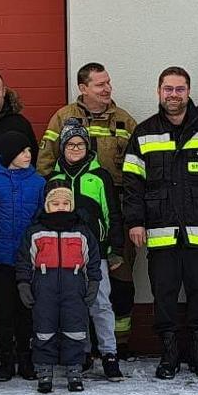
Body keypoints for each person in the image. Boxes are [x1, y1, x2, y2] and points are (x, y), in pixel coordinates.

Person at [119, 66, 198, 380]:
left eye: (180, 89)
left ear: (188, 92)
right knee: (165, 295)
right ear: (159, 91)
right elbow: (132, 184)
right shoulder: (144, 132)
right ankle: (169, 356)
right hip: (160, 232)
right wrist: (135, 222)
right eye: (168, 89)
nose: (174, 95)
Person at [36, 62, 142, 360]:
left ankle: (118, 345)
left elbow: (138, 169)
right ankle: (80, 348)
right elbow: (45, 165)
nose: (107, 89)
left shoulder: (124, 121)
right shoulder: (63, 118)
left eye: (108, 83)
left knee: (120, 284)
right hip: (68, 218)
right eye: (99, 85)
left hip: (114, 214)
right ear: (83, 88)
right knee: (74, 286)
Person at [47, 123, 127, 382]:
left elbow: (112, 213)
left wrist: (115, 249)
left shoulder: (100, 176)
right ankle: (81, 353)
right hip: (65, 255)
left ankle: (109, 354)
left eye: (80, 144)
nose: (75, 149)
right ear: (62, 148)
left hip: (96, 253)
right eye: (70, 145)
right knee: (74, 306)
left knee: (101, 303)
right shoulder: (53, 179)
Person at [17, 186, 104, 394]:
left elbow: (92, 260)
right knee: (43, 329)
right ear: (47, 206)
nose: (60, 208)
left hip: (73, 287)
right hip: (44, 287)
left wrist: (93, 282)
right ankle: (44, 371)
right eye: (55, 204)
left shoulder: (82, 231)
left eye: (65, 204)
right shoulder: (36, 231)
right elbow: (23, 260)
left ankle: (74, 369)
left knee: (75, 329)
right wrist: (23, 283)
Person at [0, 131, 44, 382]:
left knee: (26, 310)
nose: (28, 155)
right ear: (9, 154)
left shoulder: (38, 182)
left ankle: (26, 358)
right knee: (4, 310)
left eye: (29, 151)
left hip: (29, 258)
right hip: (1, 258)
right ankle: (6, 360)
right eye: (22, 151)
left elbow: (40, 218)